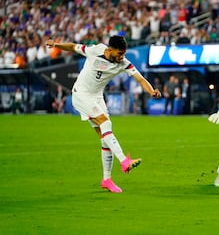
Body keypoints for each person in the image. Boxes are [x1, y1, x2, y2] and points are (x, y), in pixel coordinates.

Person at [45, 35, 161, 193]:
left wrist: (152, 91)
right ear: (109, 50)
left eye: (123, 54)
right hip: (81, 94)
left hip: (97, 97)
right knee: (106, 123)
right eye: (119, 54)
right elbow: (73, 47)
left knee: (105, 138)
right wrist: (56, 44)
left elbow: (140, 79)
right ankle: (124, 160)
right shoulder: (95, 50)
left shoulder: (123, 63)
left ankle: (107, 180)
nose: (122, 57)